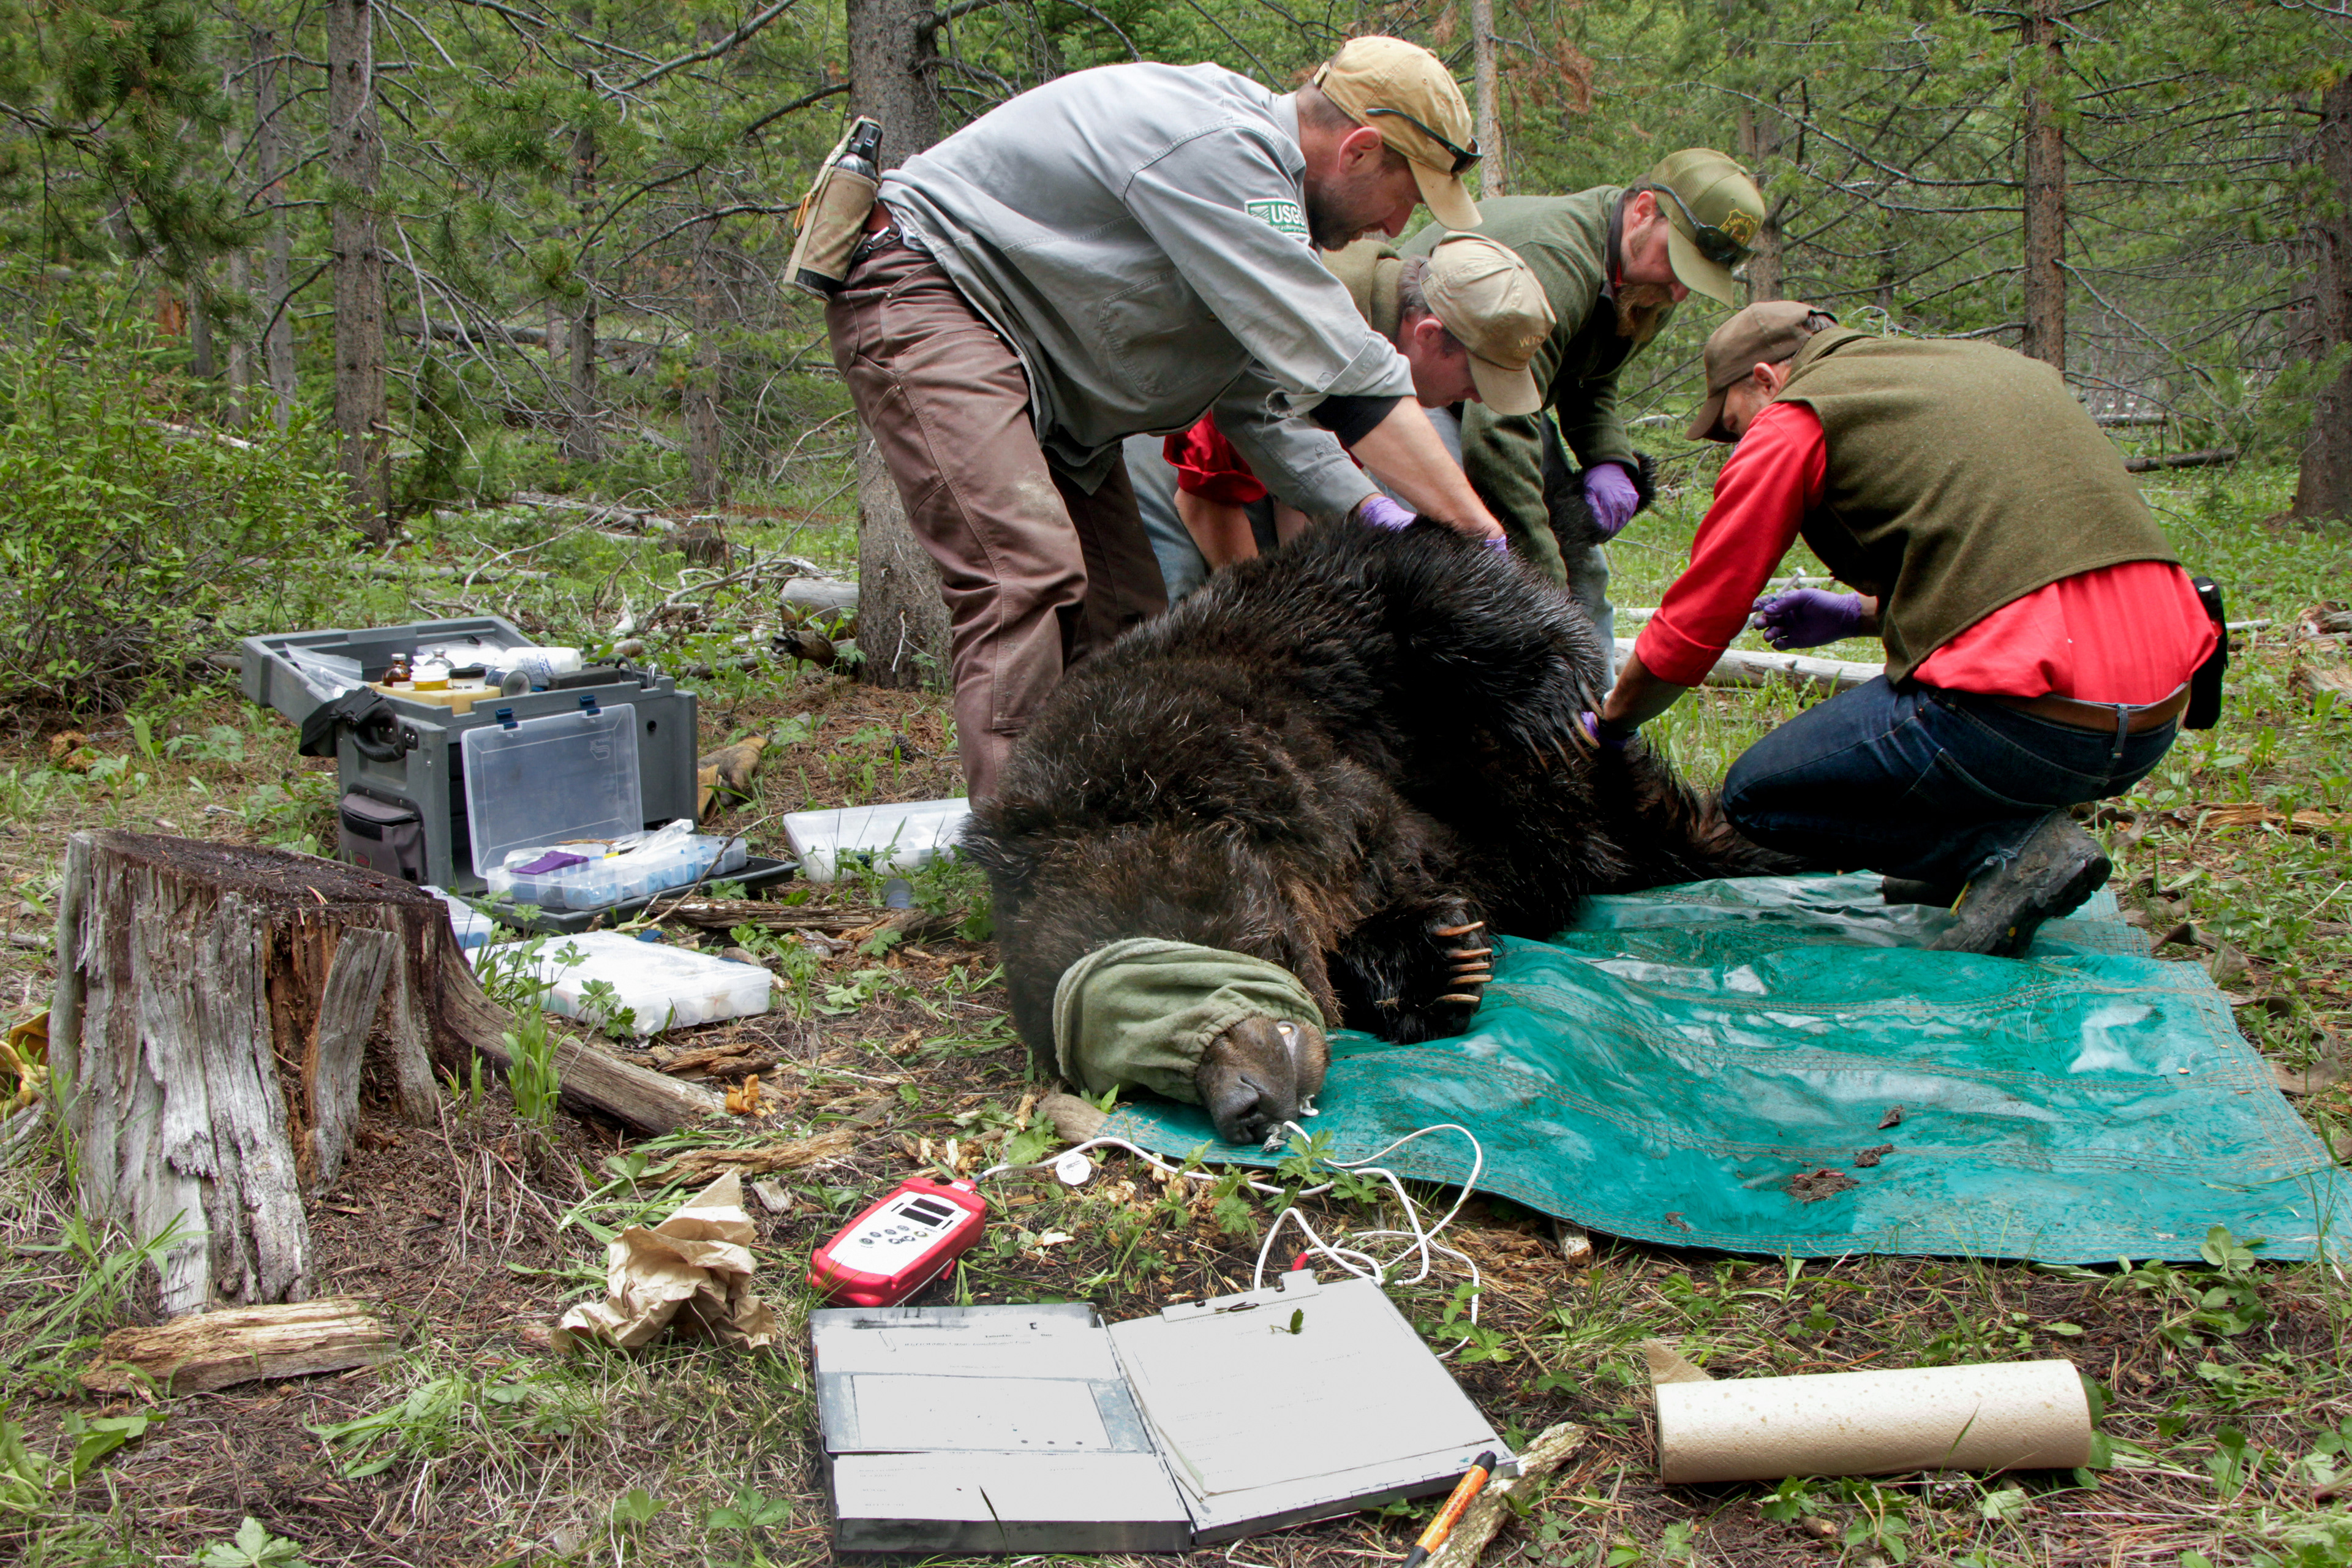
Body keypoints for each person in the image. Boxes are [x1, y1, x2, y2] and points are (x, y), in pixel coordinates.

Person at [828, 37, 1504, 801]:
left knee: (1126, 617)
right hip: (930, 285)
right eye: (1407, 196)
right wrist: (1480, 537)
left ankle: (1115, 840)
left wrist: (1373, 510)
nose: (1394, 226)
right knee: (1025, 572)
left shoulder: (1257, 205)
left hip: (1041, 370)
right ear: (1360, 150)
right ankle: (1026, 871)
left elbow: (1267, 411)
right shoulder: (1223, 149)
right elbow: (1354, 377)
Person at [1595, 302, 2220, 957]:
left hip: (2031, 727)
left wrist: (1613, 723)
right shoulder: (1996, 372)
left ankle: (2006, 849)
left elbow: (1700, 619)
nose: (1738, 444)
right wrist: (1857, 615)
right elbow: (2026, 556)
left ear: (1765, 379)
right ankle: (1967, 859)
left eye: (1731, 426)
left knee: (1759, 795)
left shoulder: (1797, 418)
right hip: (2154, 722)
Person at [1401, 149, 1766, 643]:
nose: (1680, 293)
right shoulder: (1558, 262)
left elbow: (1592, 372)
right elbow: (1499, 433)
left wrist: (1607, 456)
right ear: (1642, 210)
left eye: (1695, 277)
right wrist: (1545, 592)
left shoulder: (1649, 282)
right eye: (1679, 264)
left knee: (1584, 575)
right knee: (1449, 552)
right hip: (1420, 378)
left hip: (1499, 393)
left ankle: (1601, 717)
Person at [1150, 232, 1553, 584]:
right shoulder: (1308, 328)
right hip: (1165, 445)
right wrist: (1277, 615)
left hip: (1250, 472)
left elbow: (1304, 490)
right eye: (1478, 377)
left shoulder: (1381, 349)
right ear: (1429, 335)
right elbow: (1206, 496)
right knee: (1174, 606)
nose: (1480, 399)